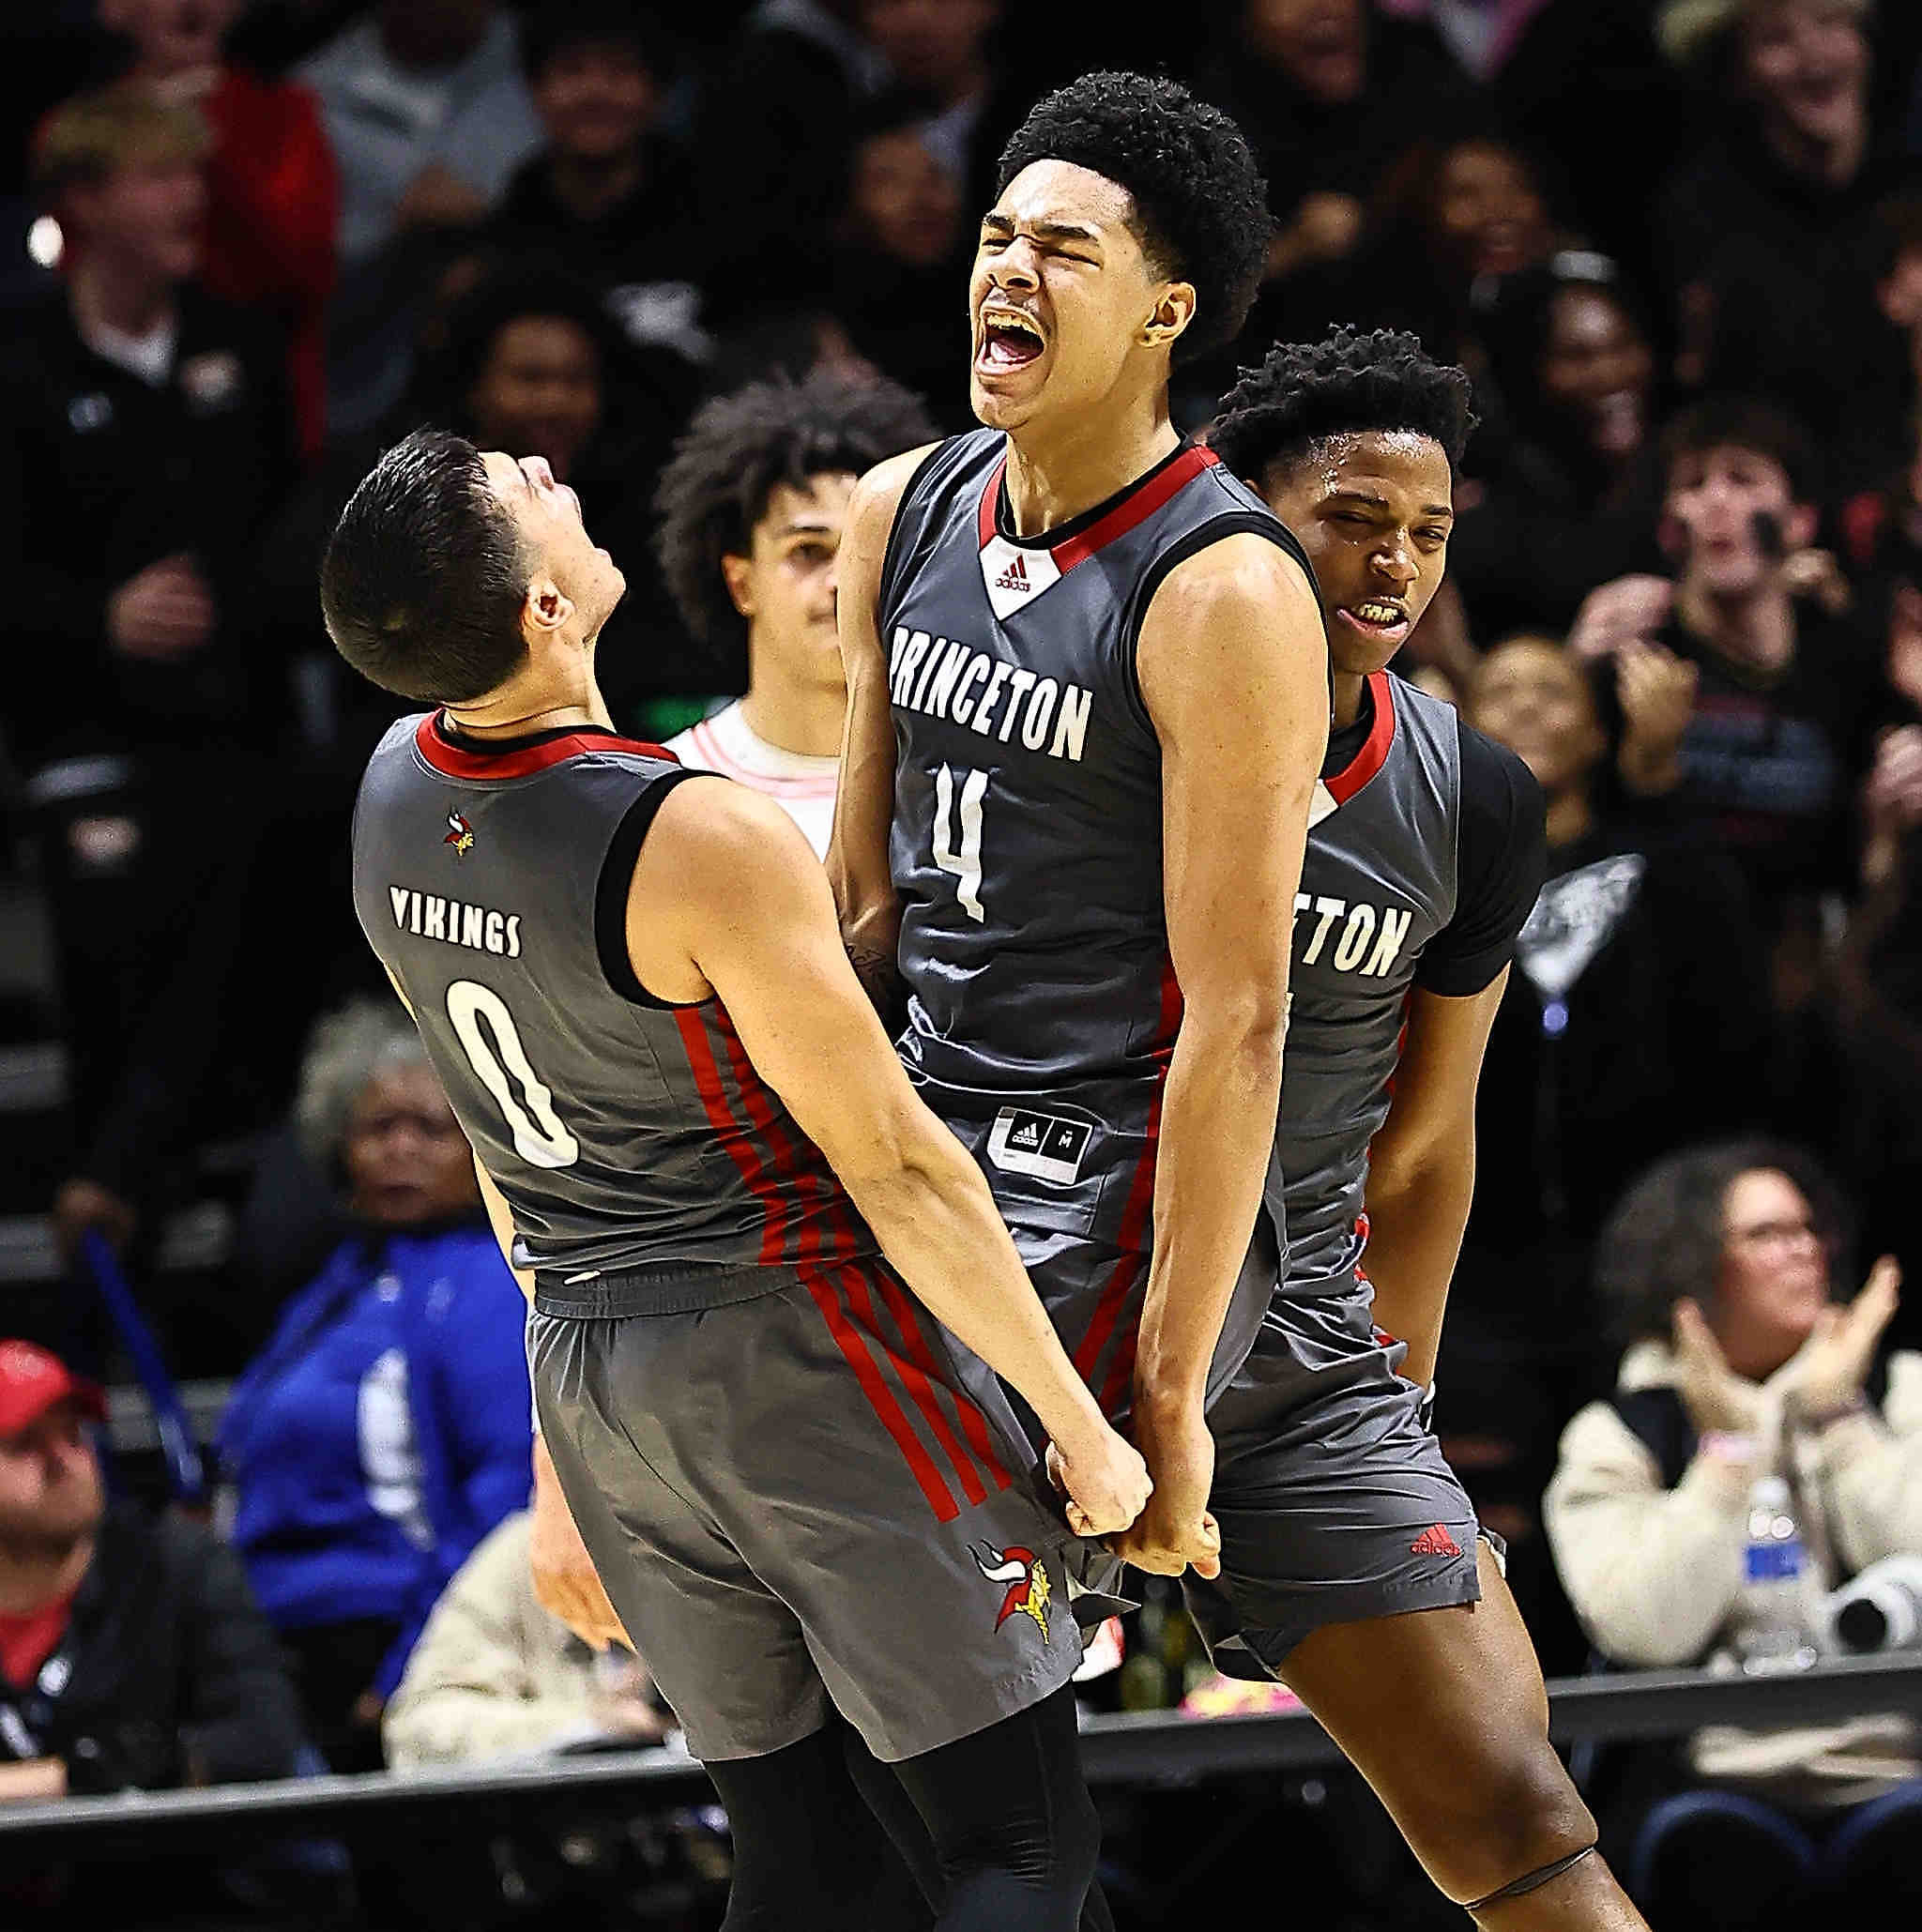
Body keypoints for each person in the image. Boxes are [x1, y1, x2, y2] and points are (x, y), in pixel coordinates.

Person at [325, 425, 1151, 1928]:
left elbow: (506, 1166)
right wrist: (1076, 1421)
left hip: (599, 1379)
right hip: (787, 1351)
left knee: (806, 1860)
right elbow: (898, 1162)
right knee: (1016, 1846)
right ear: (544, 611)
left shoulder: (391, 799)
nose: (549, 469)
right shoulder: (693, 830)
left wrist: (553, 1452)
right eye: (525, 489)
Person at [1164, 327, 1643, 1928]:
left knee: (1516, 1793)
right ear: (1238, 512)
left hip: (1297, 1343)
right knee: (970, 1841)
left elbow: (1427, 1143)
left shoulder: (1473, 796)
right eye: (1352, 516)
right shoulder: (1116, 710)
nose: (1392, 563)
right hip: (1059, 1296)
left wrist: (1403, 1393)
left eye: (1425, 533)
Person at [831, 70, 1327, 1598]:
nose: (1006, 271)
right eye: (995, 237)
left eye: (1062, 250)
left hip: (1099, 1170)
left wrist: (1167, 1395)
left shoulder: (1220, 591)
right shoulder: (897, 509)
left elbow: (1237, 1020)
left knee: (937, 1629)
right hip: (922, 1122)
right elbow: (858, 912)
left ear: (1165, 313)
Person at [7, 83, 297, 1145]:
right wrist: (99, 619)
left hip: (241, 730)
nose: (191, 198)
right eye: (161, 176)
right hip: (86, 739)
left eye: (193, 174)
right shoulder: (21, 365)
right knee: (121, 994)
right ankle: (111, 1219)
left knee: (258, 985)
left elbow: (288, 526)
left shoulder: (240, 344)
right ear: (82, 201)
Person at [1545, 1142, 1922, 1931]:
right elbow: (1642, 1625)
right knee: (1713, 1861)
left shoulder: (1901, 1392)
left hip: (1902, 1775)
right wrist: (1725, 1460)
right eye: (1767, 1234)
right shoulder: (1622, 1433)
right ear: (1689, 1270)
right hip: (1714, 1793)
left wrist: (1841, 1421)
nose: (1805, 1249)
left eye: (1809, 1230)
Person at [218, 998, 533, 1772]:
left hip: (394, 1634)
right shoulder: (330, 1289)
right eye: (376, 1128)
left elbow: (502, 1497)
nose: (400, 1150)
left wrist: (407, 1670)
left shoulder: (494, 1286)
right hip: (273, 1633)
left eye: (430, 1128)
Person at [1567, 397, 1898, 940]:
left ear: (1799, 520)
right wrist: (1574, 670)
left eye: (1743, 479)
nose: (1716, 500)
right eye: (1694, 484)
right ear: (1671, 527)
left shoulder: (1843, 661)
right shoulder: (1633, 651)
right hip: (1659, 953)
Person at [0, 1339, 306, 1922]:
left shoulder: (175, 1566)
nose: (65, 1460)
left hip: (172, 1899)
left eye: (72, 1434)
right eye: (25, 1444)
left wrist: (71, 1777)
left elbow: (263, 1740)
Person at [656, 372, 939, 857]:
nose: (841, 580)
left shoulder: (958, 782)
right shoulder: (672, 793)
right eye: (809, 551)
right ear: (740, 582)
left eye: (870, 551)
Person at [96, 0, 338, 458]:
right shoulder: (80, 132)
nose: (192, 5)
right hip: (105, 411)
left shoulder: (288, 114)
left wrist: (213, 137)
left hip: (262, 418)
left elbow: (305, 271)